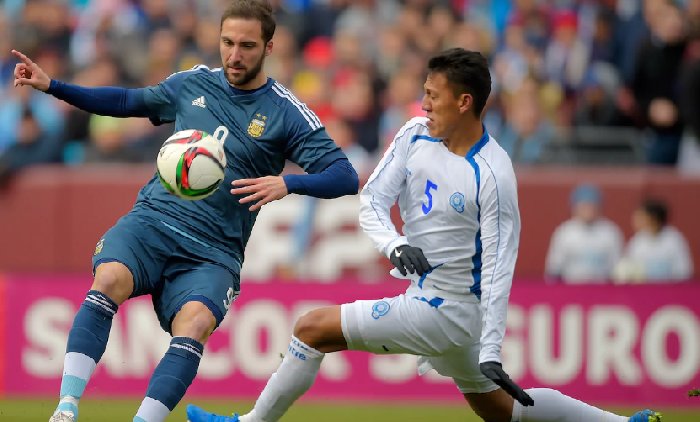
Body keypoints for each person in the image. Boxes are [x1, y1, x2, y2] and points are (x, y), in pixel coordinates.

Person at [186, 48, 661, 422]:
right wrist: (394, 244)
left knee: (312, 328)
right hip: (436, 305)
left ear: (464, 101)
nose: (424, 103)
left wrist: (492, 348)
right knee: (500, 410)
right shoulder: (415, 134)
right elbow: (371, 200)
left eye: (433, 95)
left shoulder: (493, 173)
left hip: (448, 310)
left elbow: (500, 265)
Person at [12, 1, 359, 422]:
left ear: (269, 47)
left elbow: (344, 175)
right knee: (109, 278)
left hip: (214, 250)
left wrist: (288, 182)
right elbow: (126, 101)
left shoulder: (285, 111)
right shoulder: (191, 83)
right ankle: (66, 408)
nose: (234, 55)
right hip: (153, 221)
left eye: (247, 46)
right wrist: (55, 86)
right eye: (227, 42)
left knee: (194, 324)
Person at [545, 183, 624, 283]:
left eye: (591, 206)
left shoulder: (611, 233)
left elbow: (618, 269)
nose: (588, 210)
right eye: (583, 206)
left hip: (602, 291)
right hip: (571, 290)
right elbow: (554, 268)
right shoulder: (564, 233)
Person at [614, 198, 693, 282]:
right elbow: (628, 269)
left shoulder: (674, 240)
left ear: (653, 218)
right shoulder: (637, 241)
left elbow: (683, 271)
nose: (635, 220)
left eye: (641, 217)